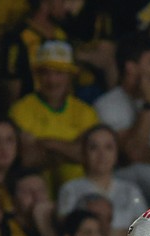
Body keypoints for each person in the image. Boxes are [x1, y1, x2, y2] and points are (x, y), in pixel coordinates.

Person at [93, 33, 150, 205]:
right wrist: (149, 105)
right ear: (131, 67)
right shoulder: (106, 104)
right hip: (121, 195)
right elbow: (132, 153)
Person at [9, 40, 99, 191]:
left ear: (70, 76)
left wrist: (46, 144)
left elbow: (92, 156)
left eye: (59, 73)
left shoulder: (86, 112)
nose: (52, 80)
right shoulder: (20, 110)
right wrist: (71, 149)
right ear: (37, 75)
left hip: (82, 194)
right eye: (45, 73)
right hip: (34, 195)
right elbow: (27, 159)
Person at [57, 124, 147, 236]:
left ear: (116, 153)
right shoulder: (70, 189)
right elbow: (69, 232)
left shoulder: (131, 190)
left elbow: (146, 232)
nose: (102, 154)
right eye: (94, 148)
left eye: (108, 147)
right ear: (83, 153)